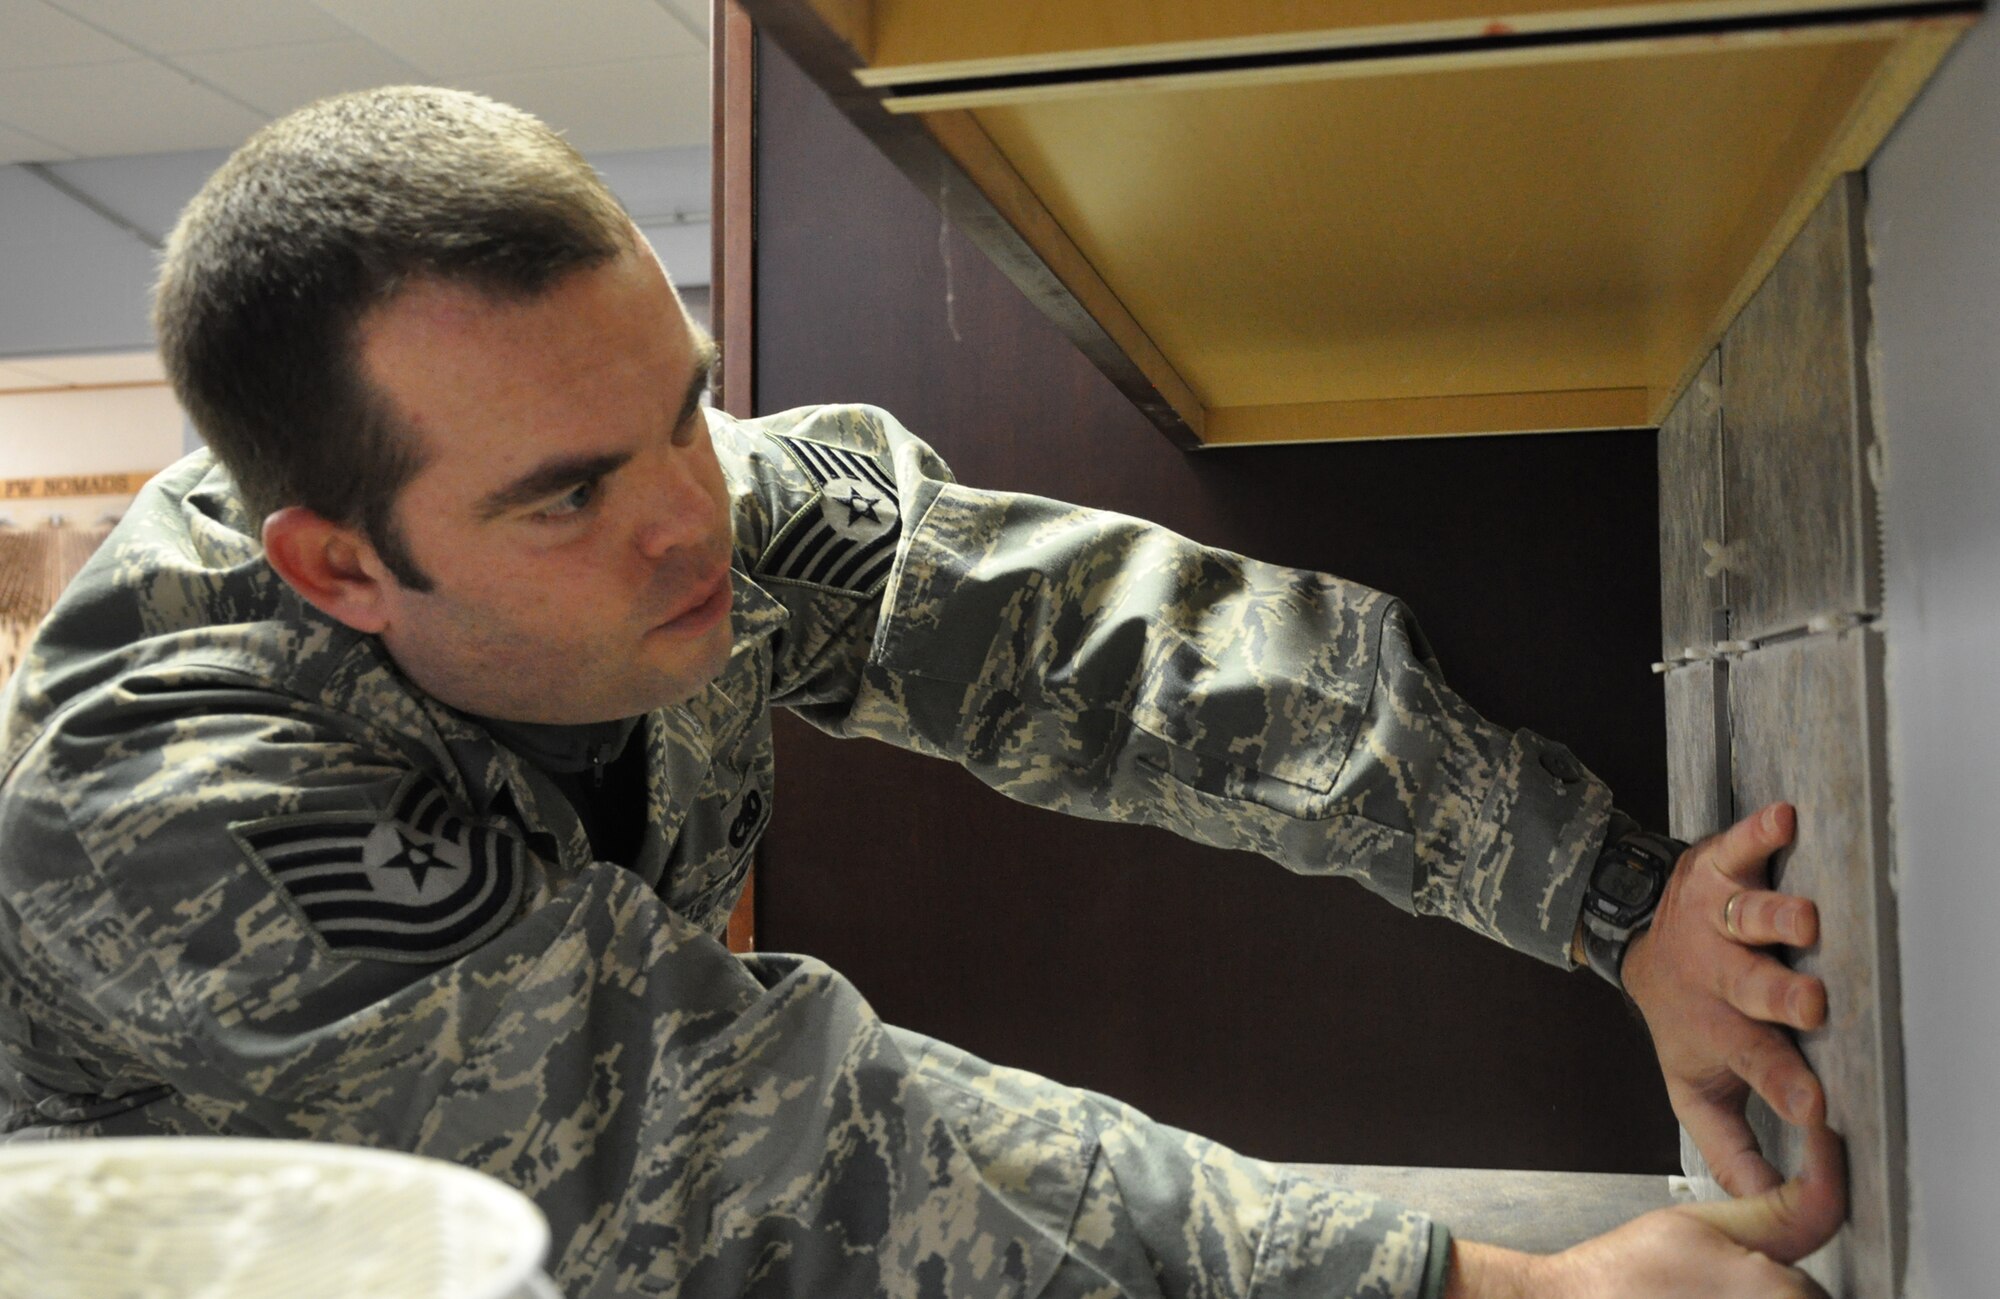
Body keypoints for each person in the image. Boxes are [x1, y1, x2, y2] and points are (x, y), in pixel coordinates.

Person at [0, 87, 1840, 1298]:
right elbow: (765, 1157)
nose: (682, 518)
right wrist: (1482, 1291)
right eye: (569, 491)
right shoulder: (174, 806)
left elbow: (1116, 652)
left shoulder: (677, 491)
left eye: (679, 407)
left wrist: (1619, 904)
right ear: (336, 566)